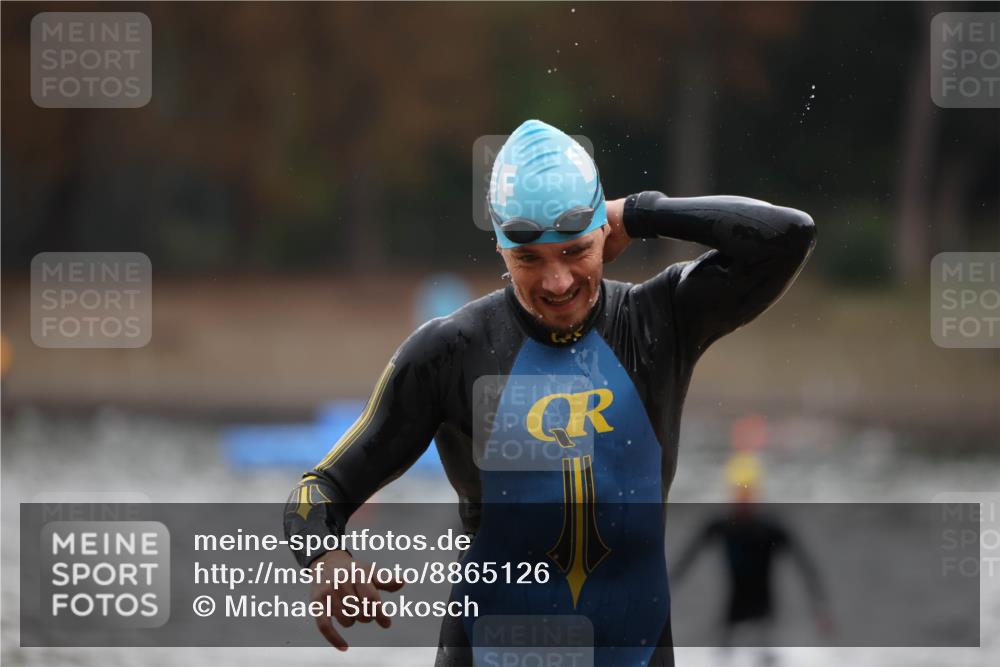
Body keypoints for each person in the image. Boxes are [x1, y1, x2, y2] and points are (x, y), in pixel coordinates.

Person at [283, 119, 817, 666]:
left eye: (574, 250)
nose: (557, 282)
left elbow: (788, 236)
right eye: (528, 259)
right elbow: (319, 490)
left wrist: (639, 211)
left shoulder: (658, 323)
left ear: (604, 232)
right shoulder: (450, 353)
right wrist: (326, 555)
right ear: (500, 249)